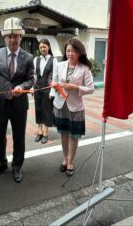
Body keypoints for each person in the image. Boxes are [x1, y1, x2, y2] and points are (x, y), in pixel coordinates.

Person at [0, 17, 34, 183]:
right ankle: (1, 162)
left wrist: (23, 86)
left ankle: (17, 165)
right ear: (4, 37)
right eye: (9, 36)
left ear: (21, 37)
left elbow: (31, 79)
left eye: (16, 36)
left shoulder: (28, 57)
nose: (13, 39)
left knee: (19, 136)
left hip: (19, 104)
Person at [50, 38, 94, 177]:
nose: (70, 53)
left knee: (74, 136)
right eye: (68, 50)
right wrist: (54, 87)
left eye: (73, 51)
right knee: (63, 133)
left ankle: (71, 161)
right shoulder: (60, 65)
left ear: (80, 53)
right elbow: (54, 81)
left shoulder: (84, 68)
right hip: (61, 105)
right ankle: (65, 158)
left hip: (75, 107)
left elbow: (91, 88)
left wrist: (76, 87)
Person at [33, 38, 58, 144]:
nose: (42, 49)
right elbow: (34, 75)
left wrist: (53, 91)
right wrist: (31, 88)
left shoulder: (54, 60)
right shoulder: (36, 60)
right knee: (38, 110)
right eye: (41, 47)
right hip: (37, 89)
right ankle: (39, 132)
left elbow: (55, 77)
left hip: (48, 89)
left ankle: (45, 133)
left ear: (49, 47)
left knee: (47, 111)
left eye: (44, 47)